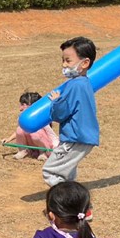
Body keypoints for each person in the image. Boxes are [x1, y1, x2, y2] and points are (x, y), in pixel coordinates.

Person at [42, 37, 100, 186]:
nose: (64, 65)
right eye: (63, 60)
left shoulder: (74, 85)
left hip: (75, 138)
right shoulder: (84, 83)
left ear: (85, 63)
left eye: (68, 61)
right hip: (83, 137)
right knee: (67, 173)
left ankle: (67, 204)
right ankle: (74, 202)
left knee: (52, 172)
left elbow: (60, 115)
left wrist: (56, 101)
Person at [2, 92, 59, 160]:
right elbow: (18, 132)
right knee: (20, 129)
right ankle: (23, 151)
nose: (20, 108)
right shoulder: (23, 118)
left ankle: (43, 152)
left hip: (47, 146)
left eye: (23, 104)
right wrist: (8, 139)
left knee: (35, 132)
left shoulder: (40, 119)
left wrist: (56, 146)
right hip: (33, 146)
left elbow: (51, 135)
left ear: (32, 105)